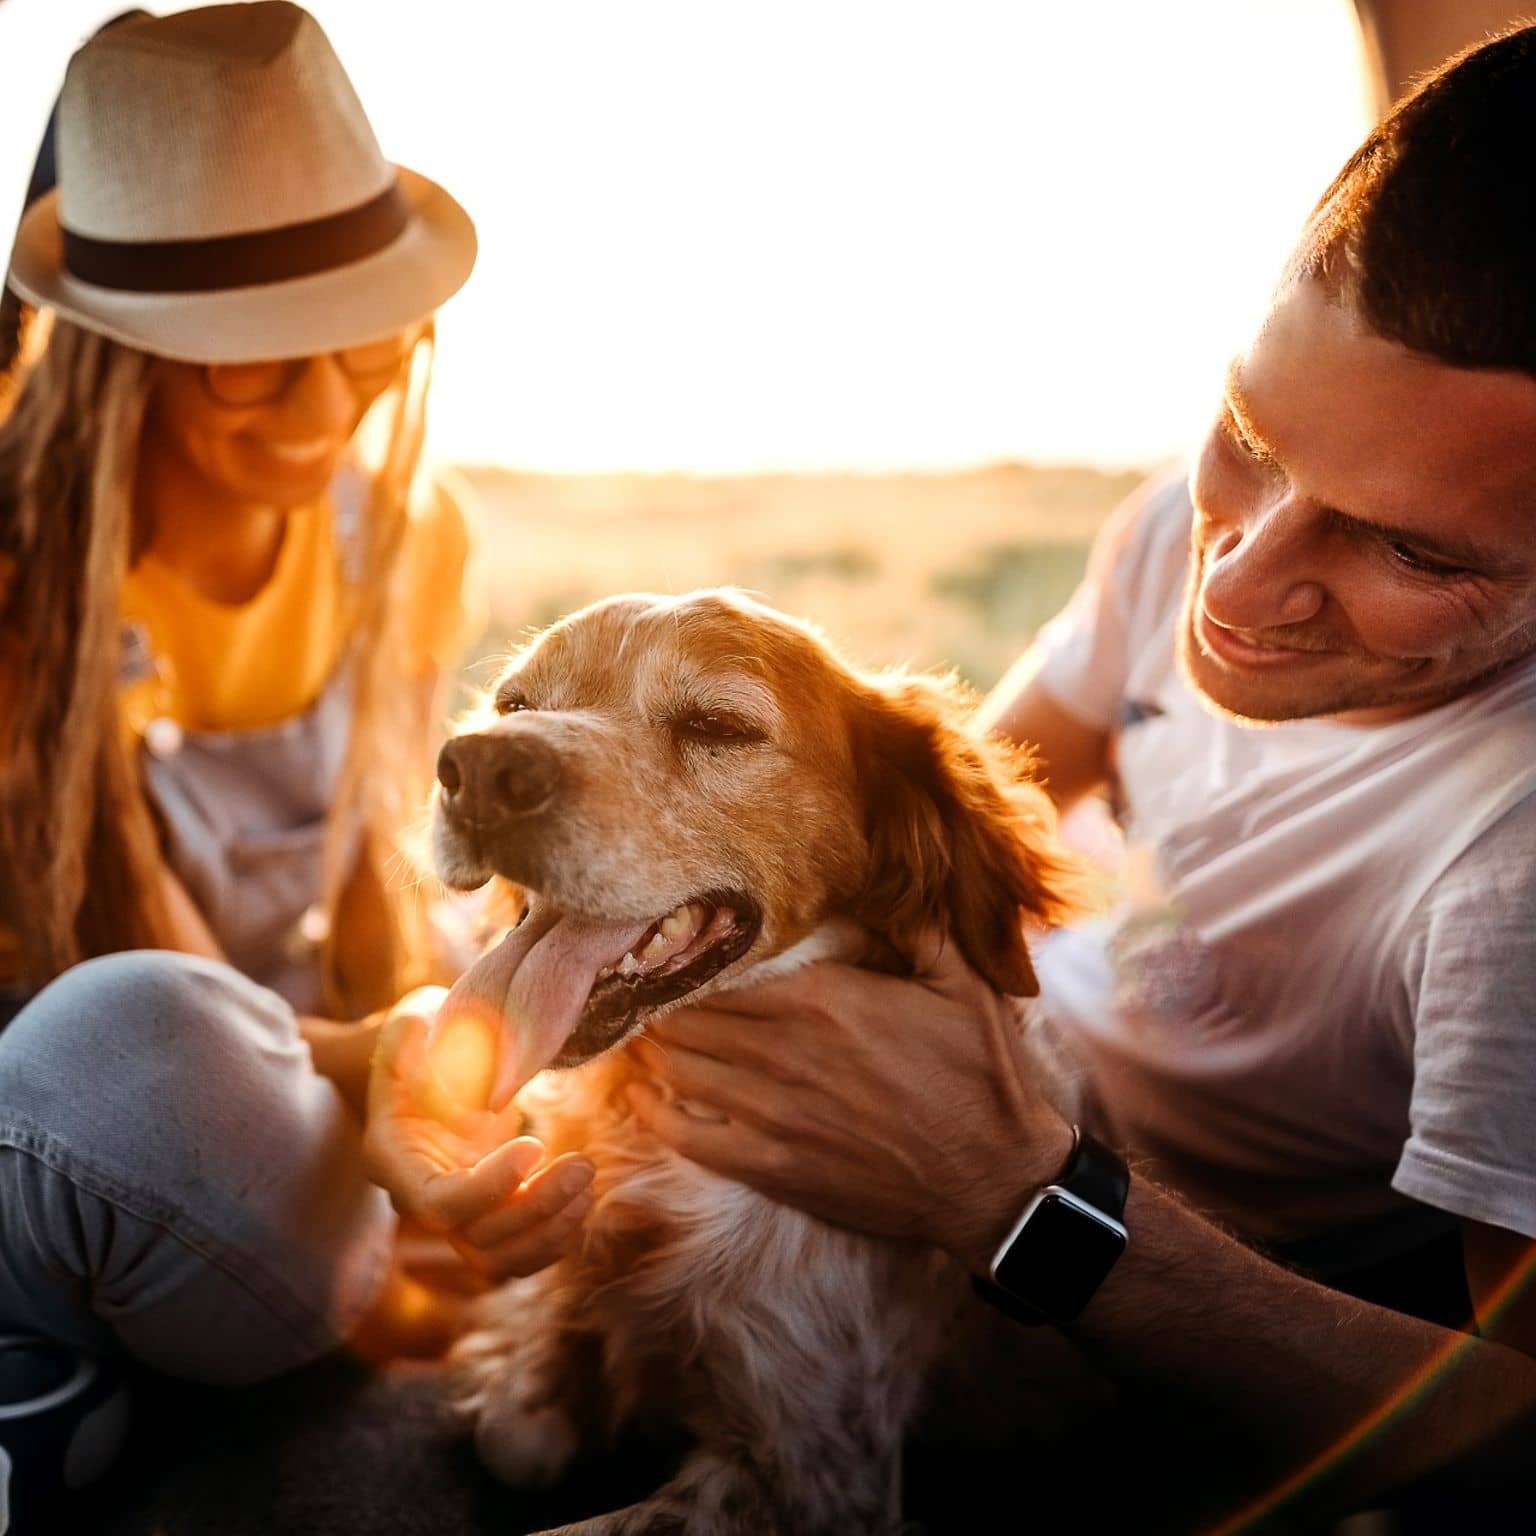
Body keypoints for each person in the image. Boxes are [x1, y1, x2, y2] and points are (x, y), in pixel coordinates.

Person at [625, 23, 1536, 1529]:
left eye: (1411, 552)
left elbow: (1512, 1440)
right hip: (1004, 1083)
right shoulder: (1178, 531)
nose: (1234, 581)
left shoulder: (1510, 874)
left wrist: (1014, 1198)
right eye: (1247, 433)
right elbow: (963, 822)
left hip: (1140, 1293)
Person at [0, 3, 592, 1509]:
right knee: (132, 1053)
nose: (326, 410)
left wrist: (445, 1083)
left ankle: (68, 1362)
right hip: (143, 1124)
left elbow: (395, 903)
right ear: (119, 353)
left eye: (364, 342)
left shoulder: (405, 539)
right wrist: (371, 1079)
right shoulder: (13, 584)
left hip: (304, 1150)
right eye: (251, 361)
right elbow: (110, 1033)